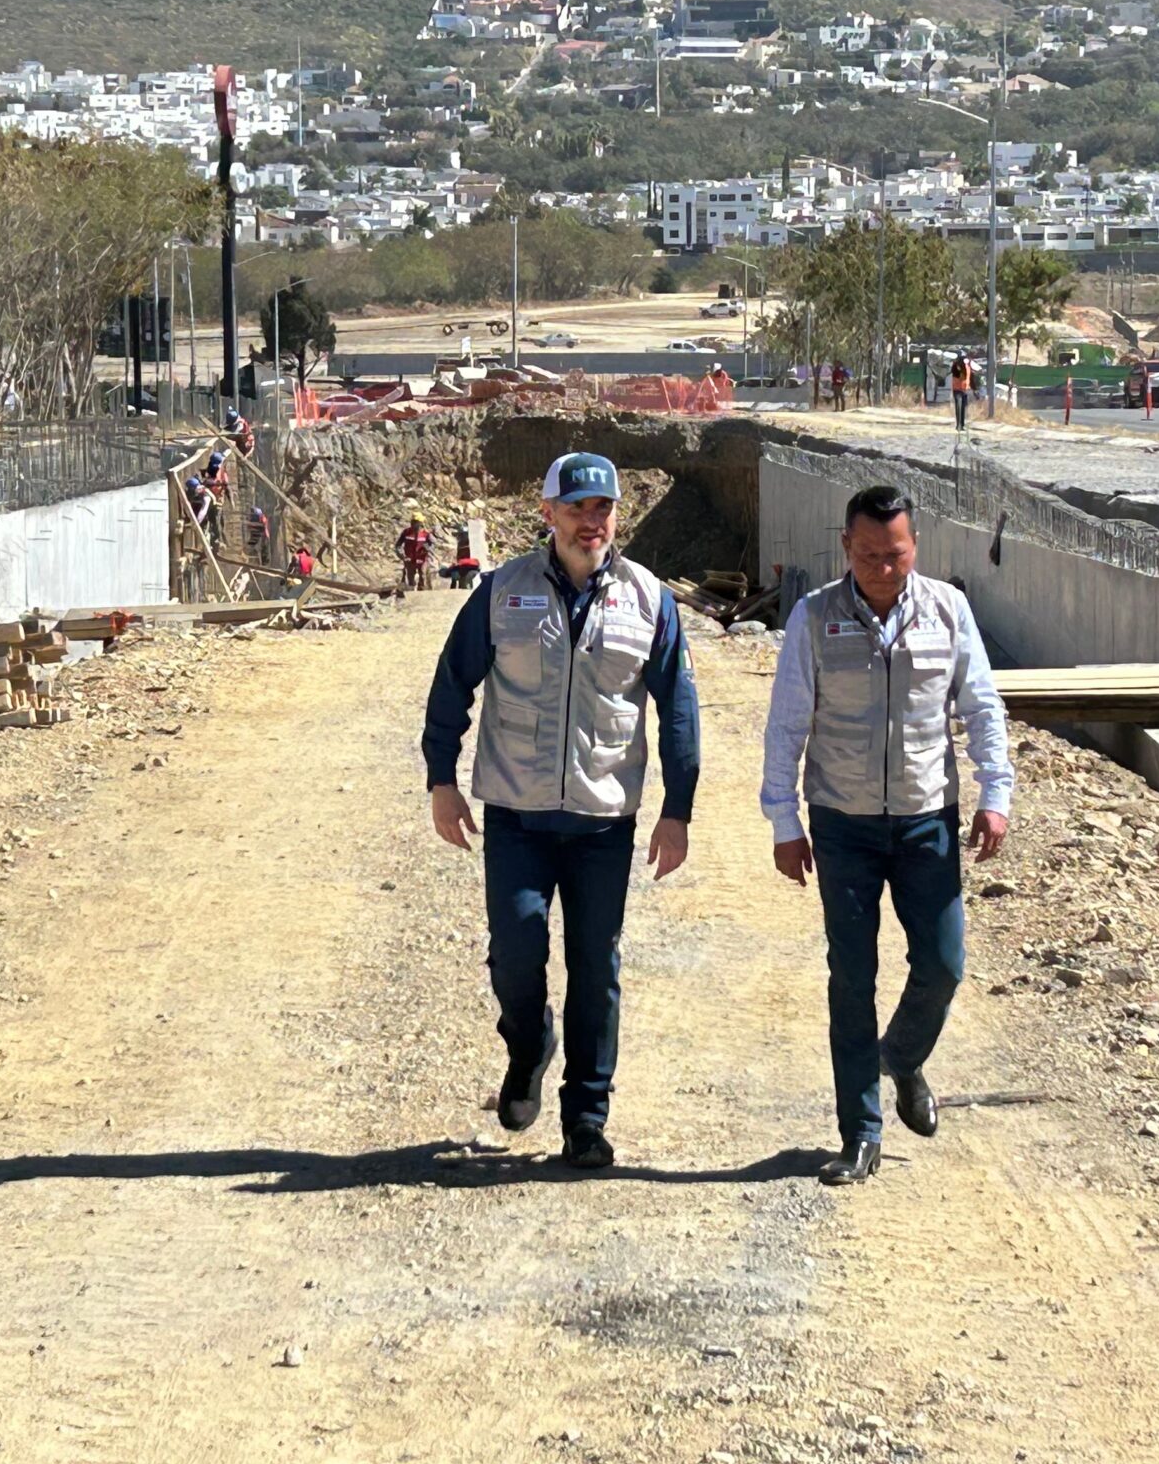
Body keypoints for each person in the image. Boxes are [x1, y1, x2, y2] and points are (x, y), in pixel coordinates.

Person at [421, 452, 699, 1170]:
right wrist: (441, 778)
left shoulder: (649, 600)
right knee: (516, 950)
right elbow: (452, 685)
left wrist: (678, 809)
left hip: (604, 821)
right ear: (548, 513)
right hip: (517, 813)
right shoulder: (501, 591)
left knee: (595, 967)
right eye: (576, 508)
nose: (590, 521)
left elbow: (679, 709)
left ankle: (586, 1118)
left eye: (602, 508)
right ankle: (528, 1045)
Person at [760, 483, 1012, 1185]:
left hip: (927, 817)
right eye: (868, 554)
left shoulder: (947, 610)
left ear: (915, 546)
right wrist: (783, 820)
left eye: (896, 554)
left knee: (944, 963)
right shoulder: (814, 617)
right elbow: (787, 723)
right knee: (852, 978)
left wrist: (996, 793)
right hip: (842, 823)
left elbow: (981, 706)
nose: (883, 568)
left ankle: (900, 1057)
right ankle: (860, 1134)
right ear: (846, 546)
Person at [397, 513, 435, 591]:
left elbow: (433, 544)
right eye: (413, 521)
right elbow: (398, 545)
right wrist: (401, 555)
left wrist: (428, 548)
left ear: (421, 523)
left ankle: (422, 591)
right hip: (409, 559)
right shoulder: (406, 532)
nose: (413, 523)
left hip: (422, 558)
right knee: (410, 577)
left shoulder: (426, 534)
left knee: (422, 575)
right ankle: (411, 592)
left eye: (416, 522)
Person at [948, 352, 973, 431]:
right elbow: (958, 374)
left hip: (965, 389)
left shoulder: (967, 366)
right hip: (957, 389)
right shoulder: (956, 366)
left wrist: (973, 388)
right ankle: (958, 425)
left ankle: (962, 425)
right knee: (958, 407)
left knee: (963, 408)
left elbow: (969, 377)